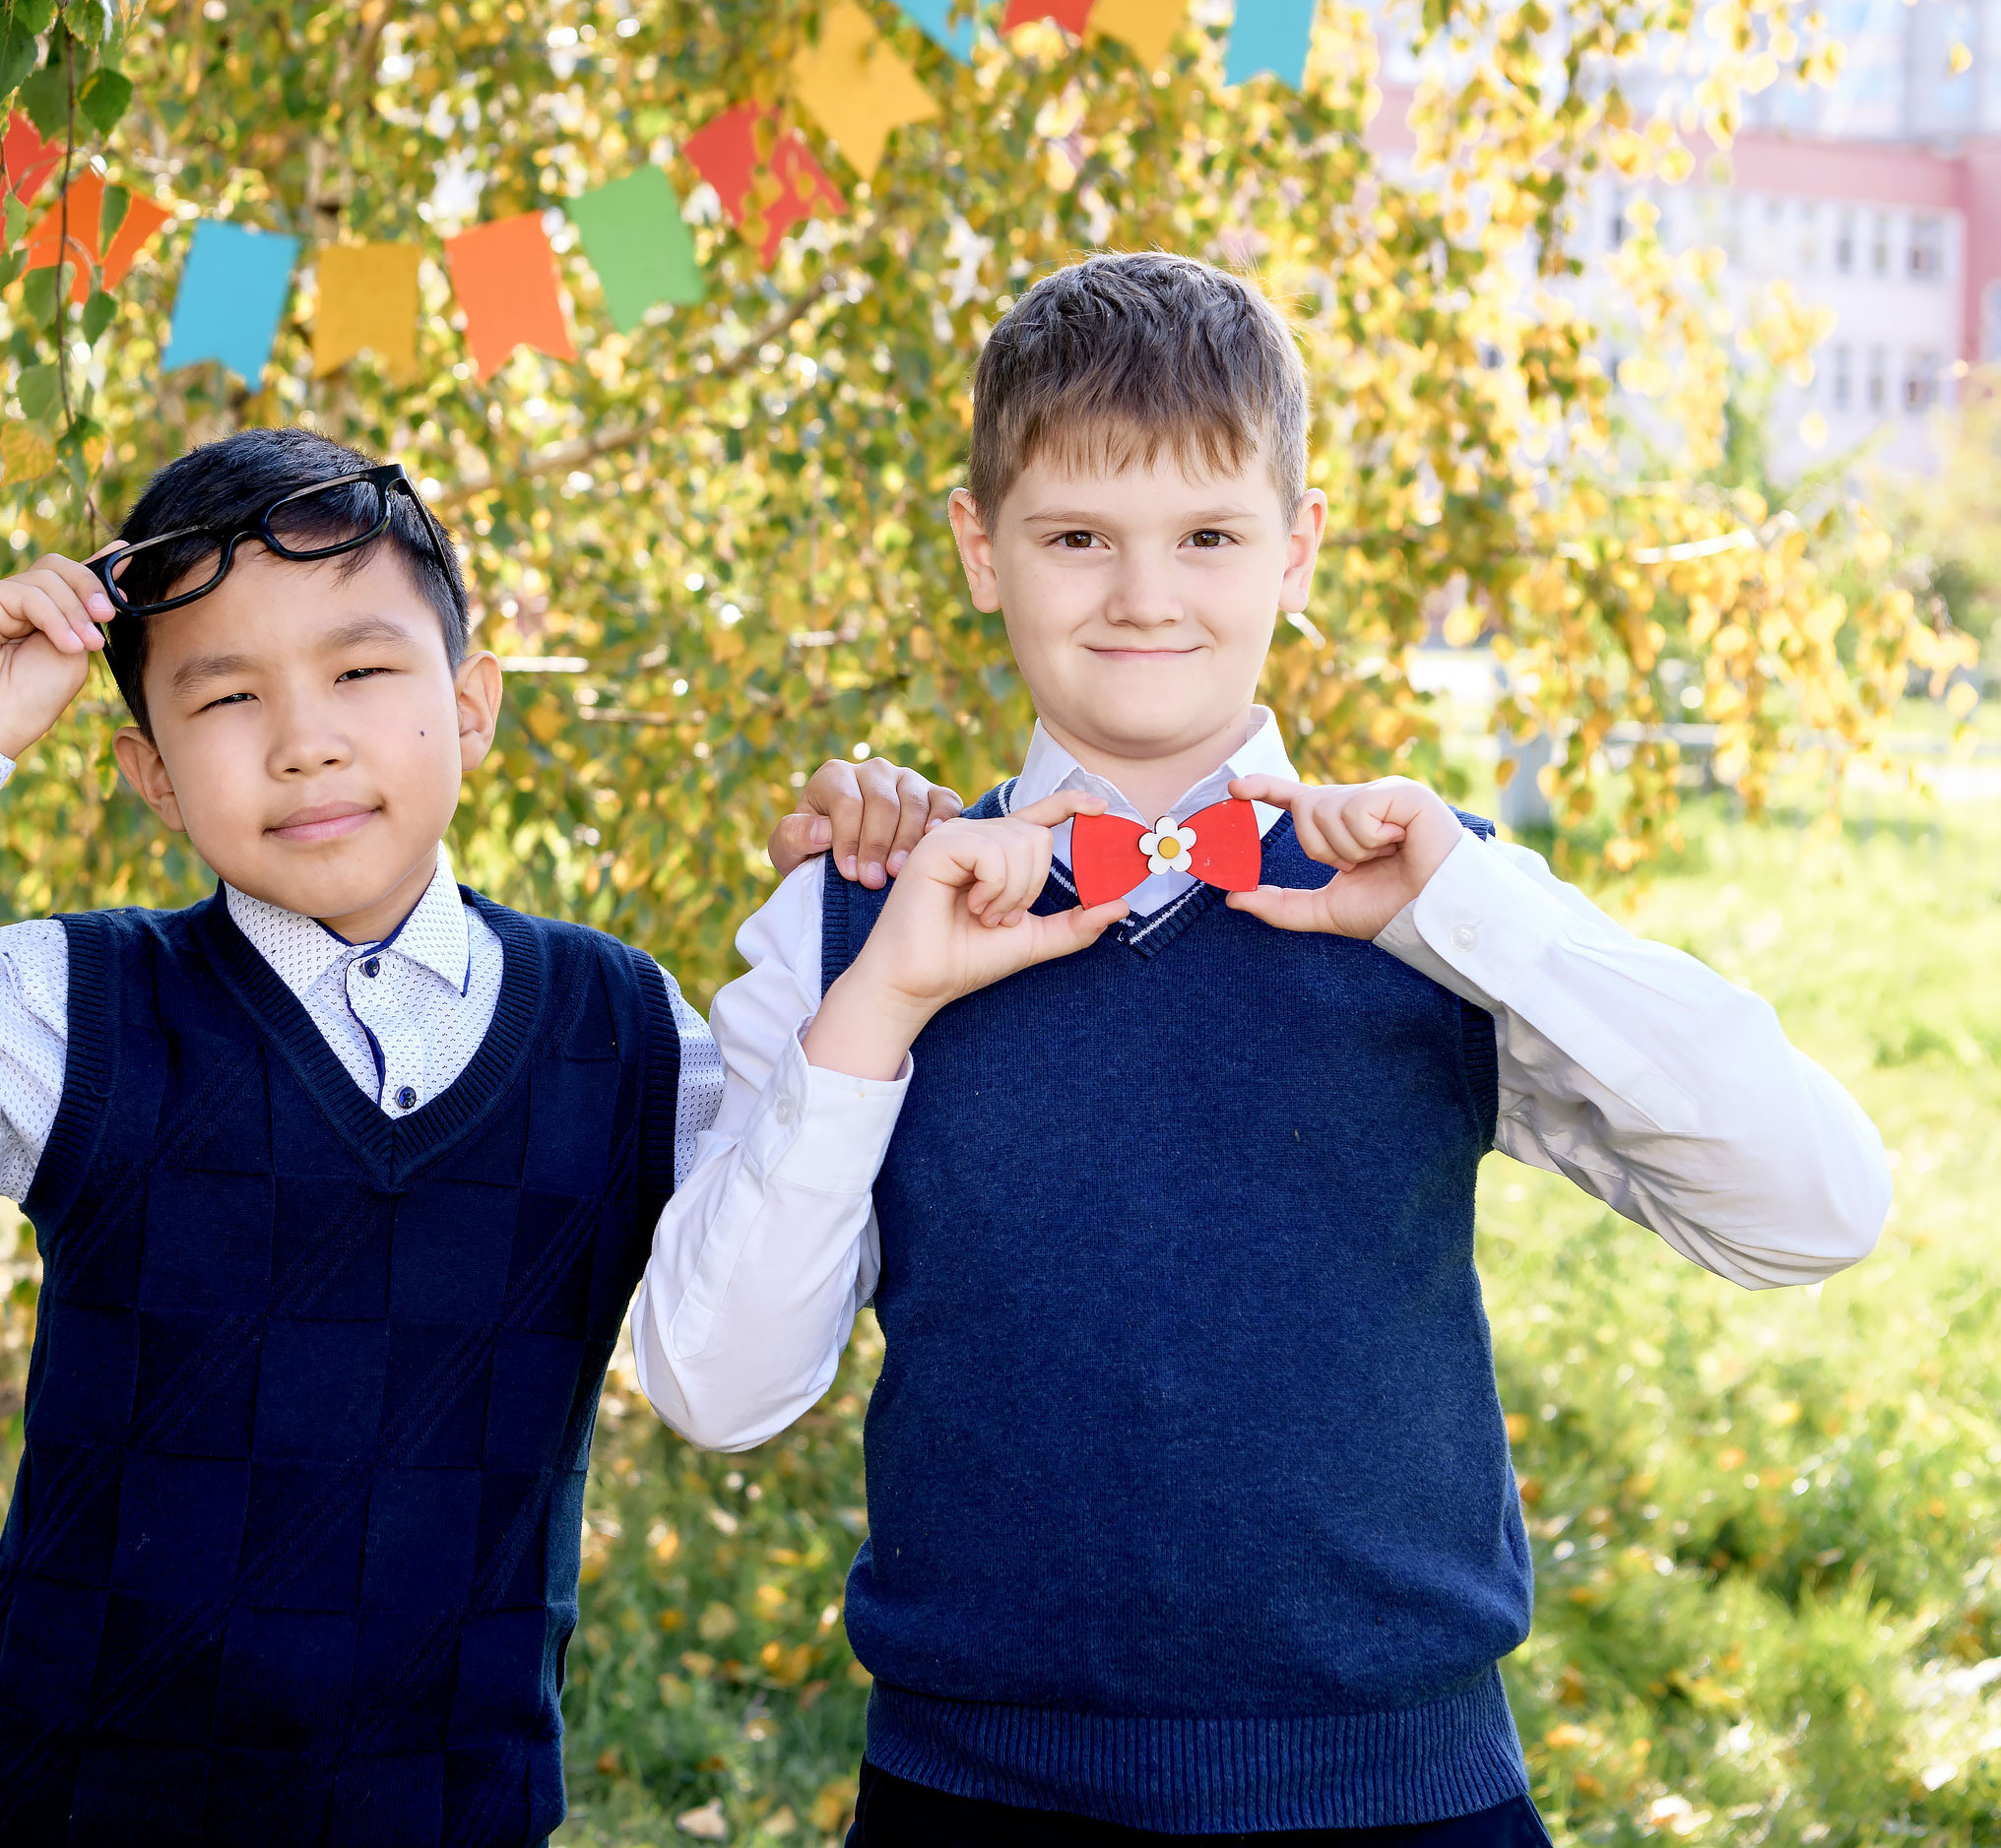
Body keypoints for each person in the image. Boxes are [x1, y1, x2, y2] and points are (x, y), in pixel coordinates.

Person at [632, 254, 1890, 1846]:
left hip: (1406, 1801)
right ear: (979, 548)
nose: (1145, 596)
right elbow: (718, 1385)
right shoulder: (858, 920)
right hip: (974, 1798)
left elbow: (1818, 1206)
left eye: (1209, 537)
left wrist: (1476, 911)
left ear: (1298, 552)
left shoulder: (1432, 900)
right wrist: (876, 1006)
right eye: (1078, 536)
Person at [0, 425, 953, 1846]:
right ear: (151, 774)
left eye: (358, 669)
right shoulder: (75, 1009)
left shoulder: (622, 1032)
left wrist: (857, 912)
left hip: (452, 1812)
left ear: (470, 706)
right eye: (225, 698)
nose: (305, 738)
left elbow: (774, 1289)